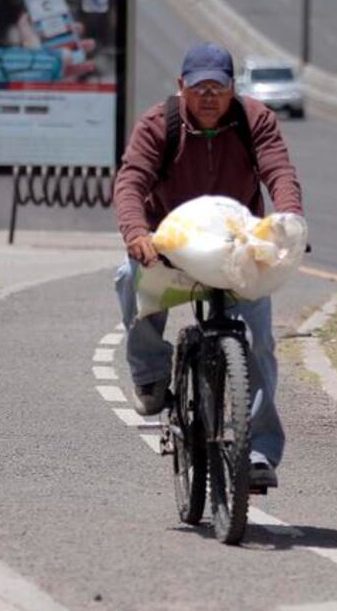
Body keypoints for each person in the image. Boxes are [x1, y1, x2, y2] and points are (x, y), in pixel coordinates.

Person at [113, 42, 304, 488]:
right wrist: (137, 234)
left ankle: (259, 452)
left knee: (258, 342)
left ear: (233, 89)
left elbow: (279, 172)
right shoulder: (159, 124)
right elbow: (131, 179)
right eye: (199, 88)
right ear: (182, 88)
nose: (209, 97)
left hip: (237, 247)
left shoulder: (255, 120)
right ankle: (151, 373)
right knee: (127, 279)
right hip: (170, 245)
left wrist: (289, 220)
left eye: (218, 88)